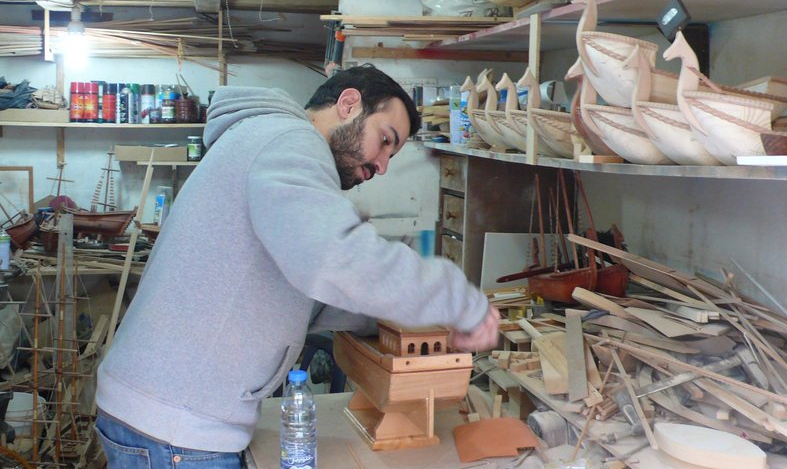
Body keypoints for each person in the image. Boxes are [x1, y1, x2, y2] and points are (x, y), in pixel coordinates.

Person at [94, 65, 501, 467]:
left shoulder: (265, 140)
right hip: (177, 430)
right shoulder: (290, 141)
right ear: (348, 103)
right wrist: (463, 304)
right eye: (384, 140)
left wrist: (405, 317)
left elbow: (308, 294)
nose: (382, 166)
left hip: (167, 417)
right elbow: (335, 258)